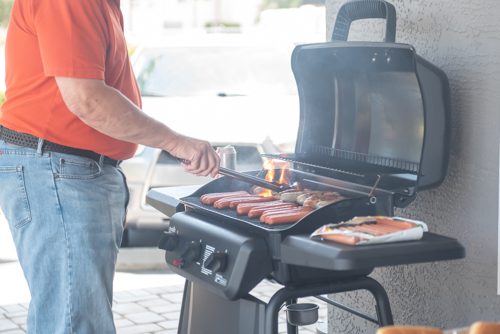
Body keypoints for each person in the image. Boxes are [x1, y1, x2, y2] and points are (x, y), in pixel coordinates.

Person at [0, 0, 220, 333]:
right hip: (58, 169)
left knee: (70, 313)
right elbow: (87, 99)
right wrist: (176, 142)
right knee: (74, 320)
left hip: (67, 168)